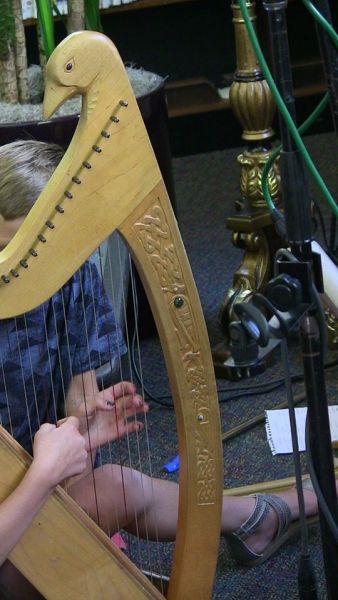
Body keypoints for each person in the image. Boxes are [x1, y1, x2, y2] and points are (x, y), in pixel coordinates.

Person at [0, 140, 323, 596]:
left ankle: (258, 516)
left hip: (33, 481)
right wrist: (45, 475)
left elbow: (77, 403)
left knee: (117, 487)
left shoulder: (65, 274)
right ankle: (261, 514)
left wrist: (83, 434)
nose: (21, 274)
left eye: (38, 259)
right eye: (8, 253)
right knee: (113, 488)